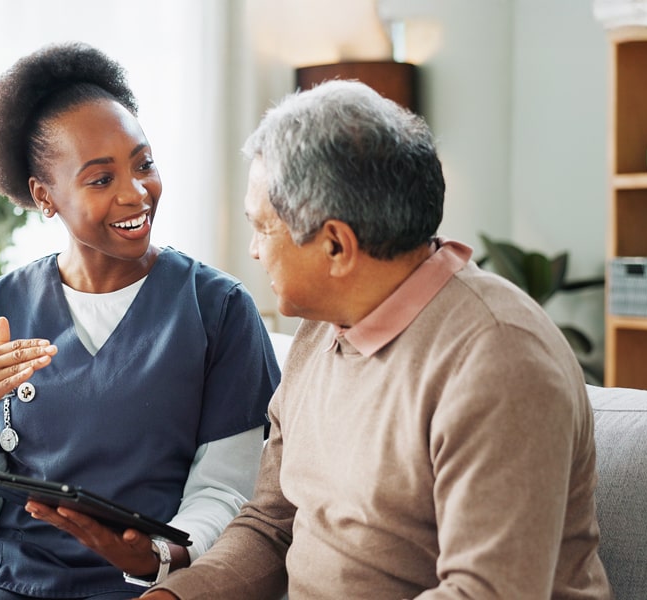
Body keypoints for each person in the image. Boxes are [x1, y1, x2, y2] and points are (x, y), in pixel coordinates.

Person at [139, 80, 613, 599]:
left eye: (261, 228)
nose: (253, 250)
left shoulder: (499, 358)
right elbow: (272, 524)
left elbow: (486, 592)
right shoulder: (322, 326)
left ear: (336, 245)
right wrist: (176, 594)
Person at [0, 42, 281, 600]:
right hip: (13, 575)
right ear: (45, 195)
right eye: (101, 179)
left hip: (154, 576)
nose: (137, 194)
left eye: (144, 164)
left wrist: (161, 554)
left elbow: (227, 490)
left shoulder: (219, 308)